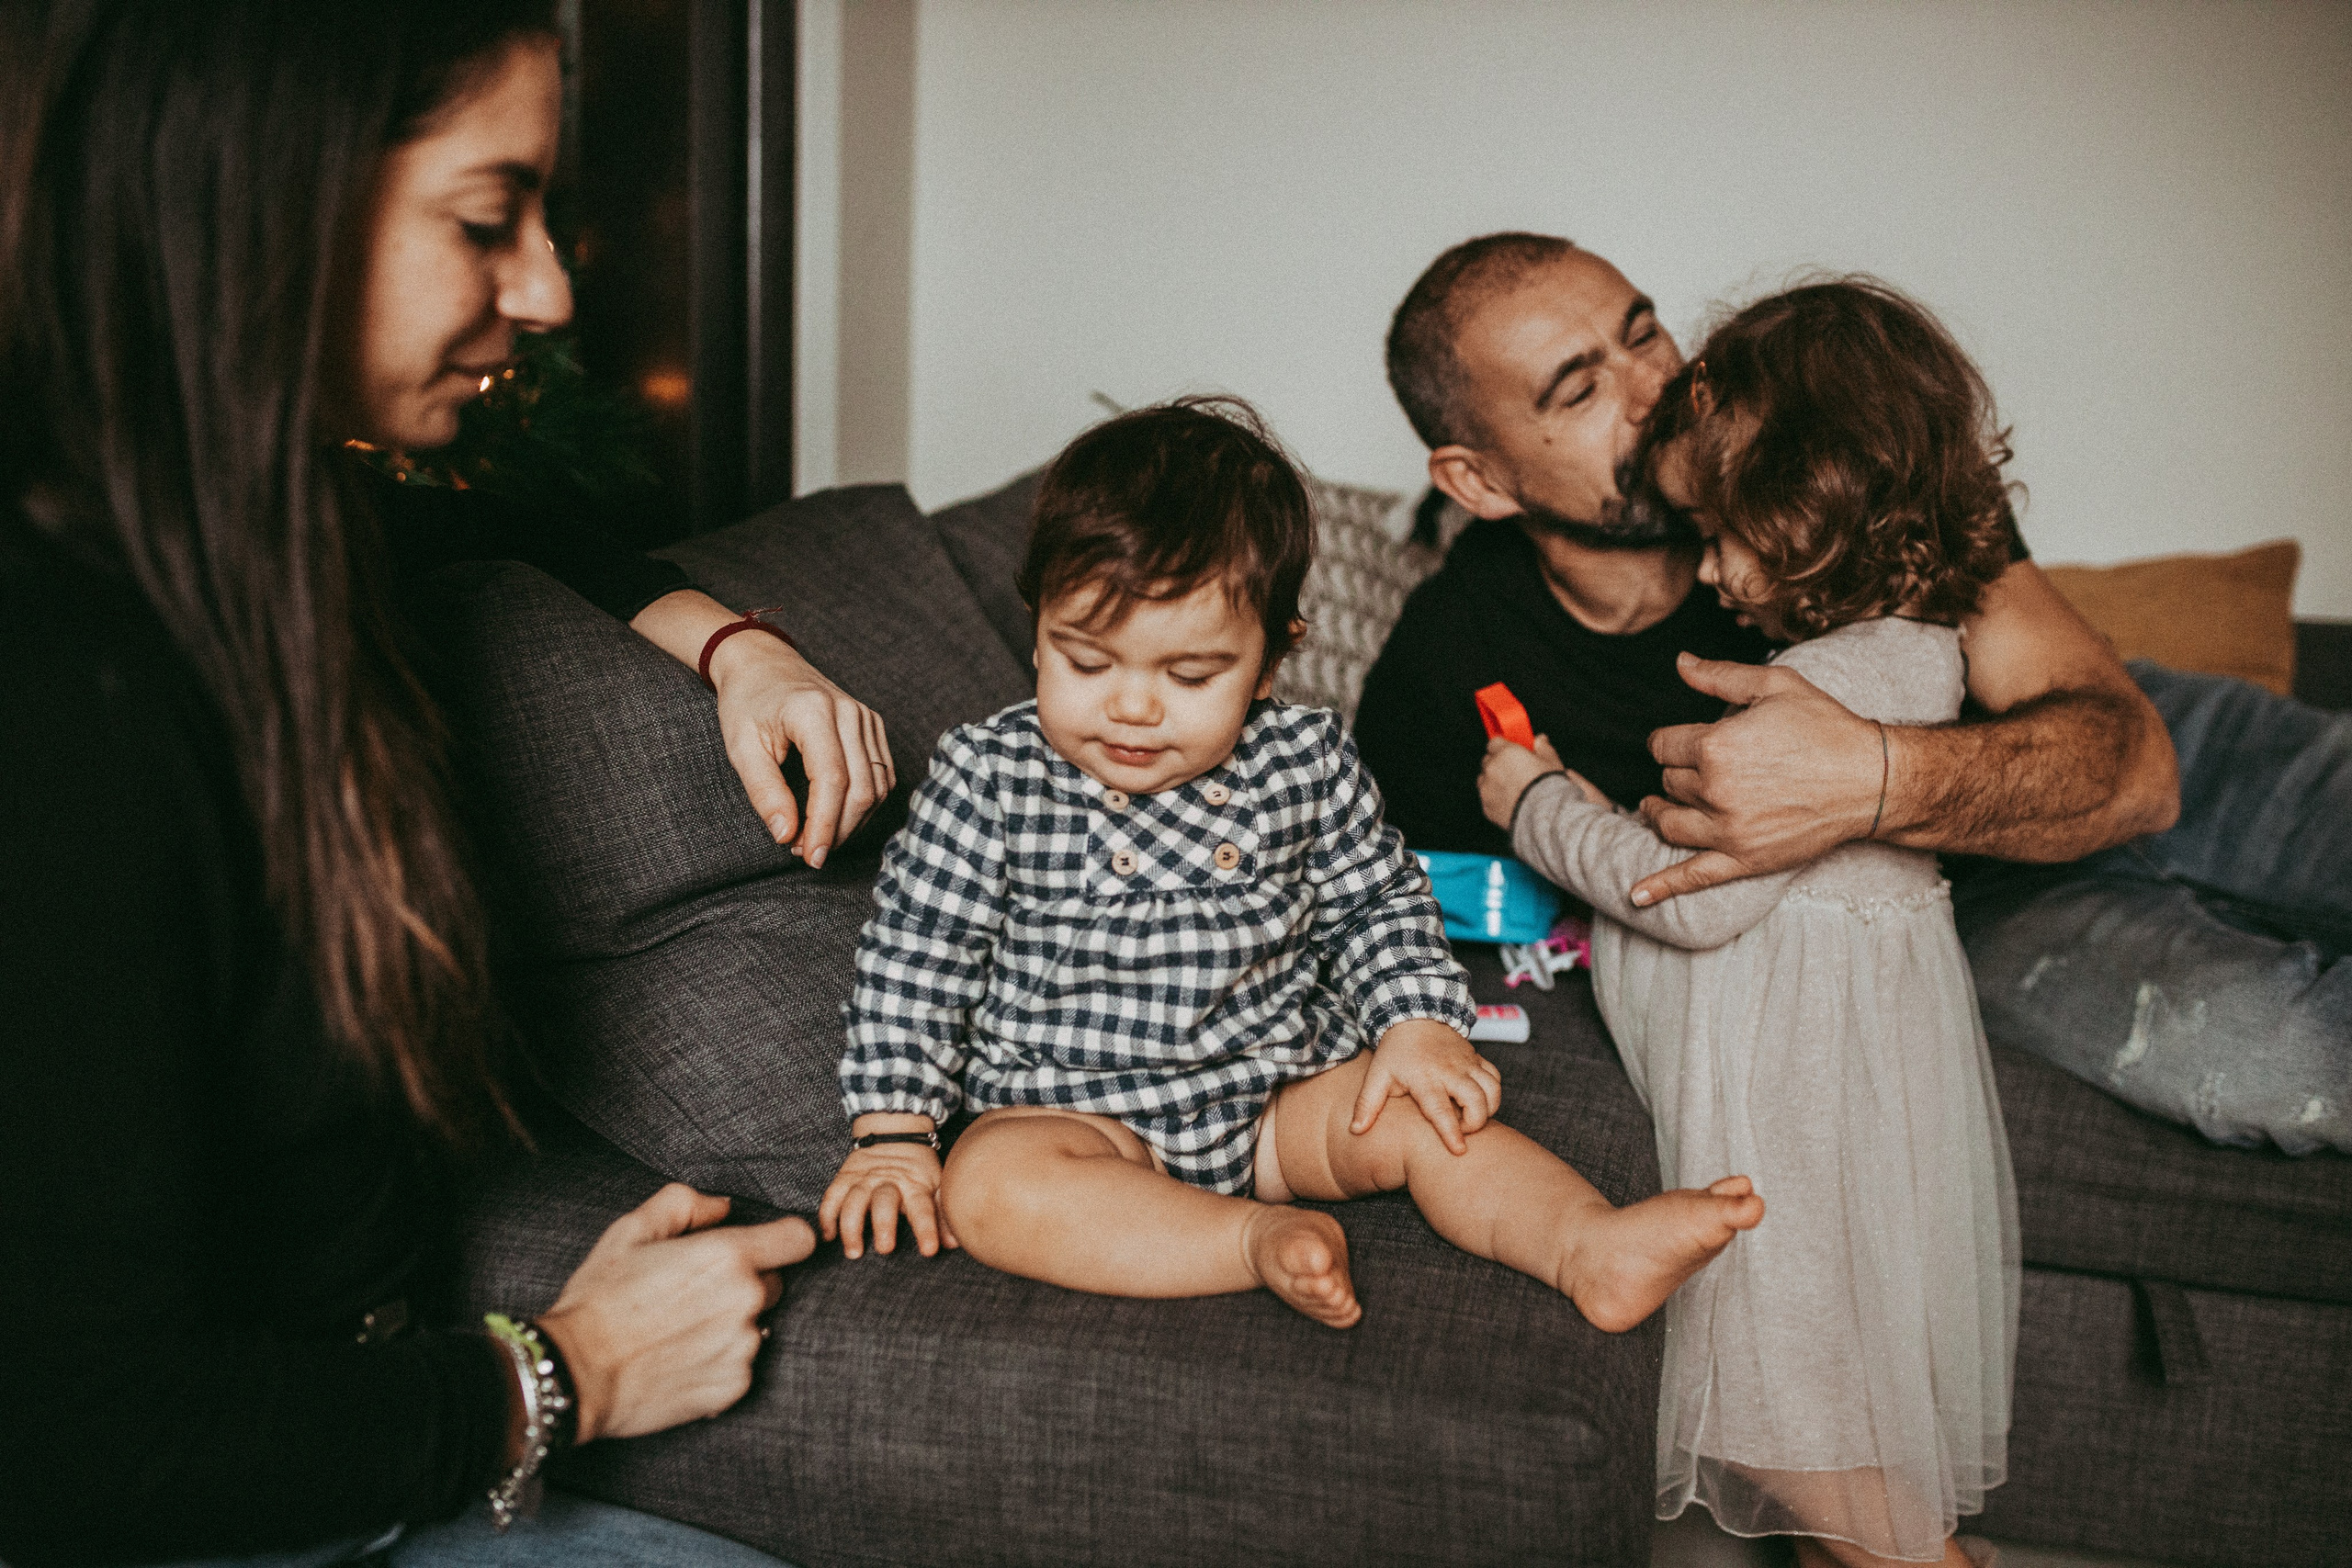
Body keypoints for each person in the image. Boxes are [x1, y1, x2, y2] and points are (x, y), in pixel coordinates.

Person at [0, 2, 892, 1562]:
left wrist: (739, 646)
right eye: (487, 220)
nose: (547, 290)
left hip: (372, 1464)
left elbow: (510, 527)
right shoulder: (67, 683)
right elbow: (74, 1438)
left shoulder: (286, 528)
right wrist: (567, 1371)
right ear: (262, 195)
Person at [1356, 232, 2348, 1155]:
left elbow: (2138, 773)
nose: (1655, 388)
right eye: (1580, 390)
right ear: (1478, 482)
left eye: (1644, 333)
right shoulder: (1442, 672)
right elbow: (1395, 928)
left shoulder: (1835, 447)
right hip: (1964, 907)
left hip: (2080, 737)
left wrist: (1871, 779)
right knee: (2290, 1058)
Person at [815, 399, 1764, 1331]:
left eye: (1190, 675)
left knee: (1420, 1115)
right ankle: (1250, 1243)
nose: (1131, 708)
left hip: (1275, 1102)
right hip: (1070, 1117)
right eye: (1087, 663)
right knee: (989, 1184)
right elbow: (917, 957)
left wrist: (1416, 1023)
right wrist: (894, 1129)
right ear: (1039, 631)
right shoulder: (990, 776)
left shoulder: (1302, 761)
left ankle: (1586, 1244)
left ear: (1271, 662)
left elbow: (1376, 904)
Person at [1479, 280, 2020, 1567]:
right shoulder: (1906, 654)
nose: (1711, 571)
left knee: (1780, 1402)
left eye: (1725, 535)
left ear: (1812, 512)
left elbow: (1692, 896)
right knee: (1831, 1395)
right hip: (1825, 1067)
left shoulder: (1825, 685)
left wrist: (1539, 803)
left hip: (1784, 1096)